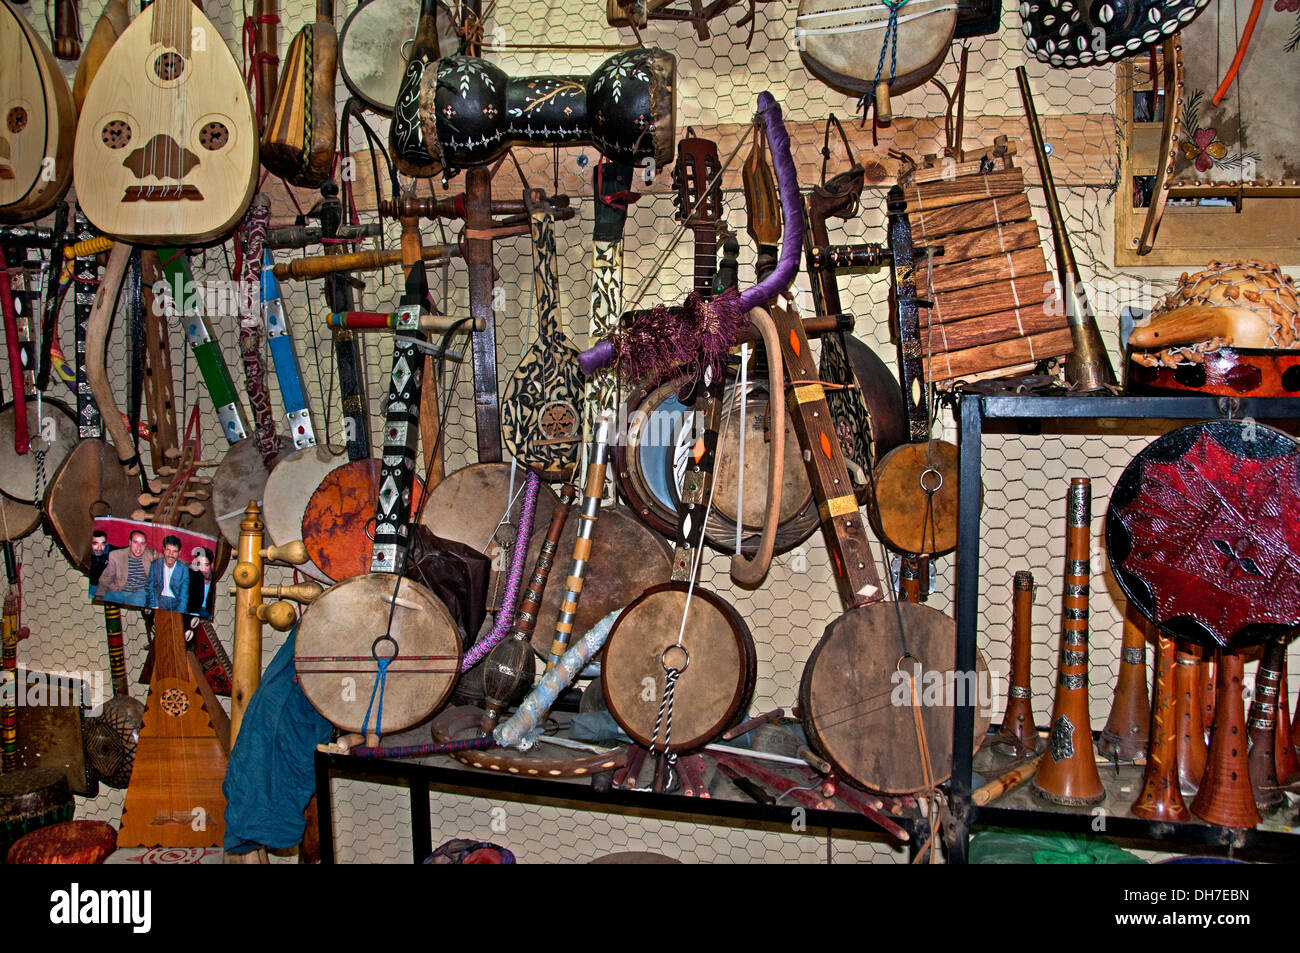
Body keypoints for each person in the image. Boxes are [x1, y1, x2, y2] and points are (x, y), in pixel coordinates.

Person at [95, 529, 156, 608]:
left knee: (140, 602)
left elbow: (165, 557)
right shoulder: (116, 555)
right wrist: (99, 595)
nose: (139, 547)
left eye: (142, 543)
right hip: (118, 590)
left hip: (139, 593)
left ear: (145, 545)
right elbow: (107, 577)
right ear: (130, 542)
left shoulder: (150, 554)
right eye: (135, 542)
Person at [145, 535, 189, 612]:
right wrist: (155, 607)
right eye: (168, 550)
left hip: (175, 603)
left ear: (179, 553)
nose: (170, 554)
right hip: (158, 600)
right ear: (163, 550)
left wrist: (179, 613)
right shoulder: (155, 565)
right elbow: (151, 589)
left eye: (174, 551)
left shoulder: (184, 570)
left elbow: (183, 596)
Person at [186, 546, 216, 619]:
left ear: (211, 565)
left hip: (207, 614)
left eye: (206, 565)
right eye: (199, 564)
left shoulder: (216, 580)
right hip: (192, 612)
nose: (202, 569)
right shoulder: (193, 575)